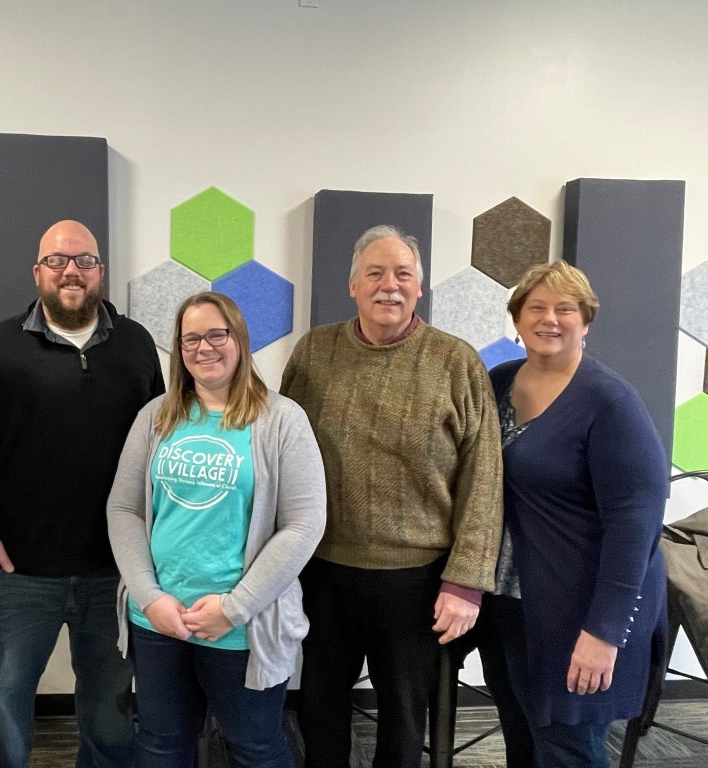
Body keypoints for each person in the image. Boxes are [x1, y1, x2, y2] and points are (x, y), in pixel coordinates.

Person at [279, 224, 503, 768]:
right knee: (319, 707)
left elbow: (484, 479)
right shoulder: (314, 352)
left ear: (420, 287)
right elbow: (281, 450)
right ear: (353, 285)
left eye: (403, 274)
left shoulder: (457, 362)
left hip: (416, 580)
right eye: (375, 273)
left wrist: (466, 582)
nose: (390, 285)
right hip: (323, 569)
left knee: (403, 717)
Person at [0, 219, 163, 768]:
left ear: (100, 271)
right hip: (17, 570)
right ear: (38, 272)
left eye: (84, 260)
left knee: (109, 707)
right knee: (6, 702)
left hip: (114, 568)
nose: (71, 270)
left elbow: (159, 447)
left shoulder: (136, 344)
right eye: (57, 260)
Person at [107, 291, 326, 767]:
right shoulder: (155, 416)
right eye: (191, 339)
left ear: (239, 339)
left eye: (216, 334)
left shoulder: (282, 420)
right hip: (159, 620)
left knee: (255, 748)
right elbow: (124, 510)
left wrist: (234, 608)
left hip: (242, 627)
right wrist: (149, 597)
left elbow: (304, 524)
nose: (204, 347)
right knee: (161, 744)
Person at [483, 261, 667, 768]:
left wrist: (604, 632)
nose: (550, 319)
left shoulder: (610, 401)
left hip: (580, 611)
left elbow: (635, 526)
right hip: (512, 603)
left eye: (566, 309)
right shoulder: (498, 383)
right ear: (517, 319)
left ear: (586, 321)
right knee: (524, 741)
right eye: (536, 308)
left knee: (568, 751)